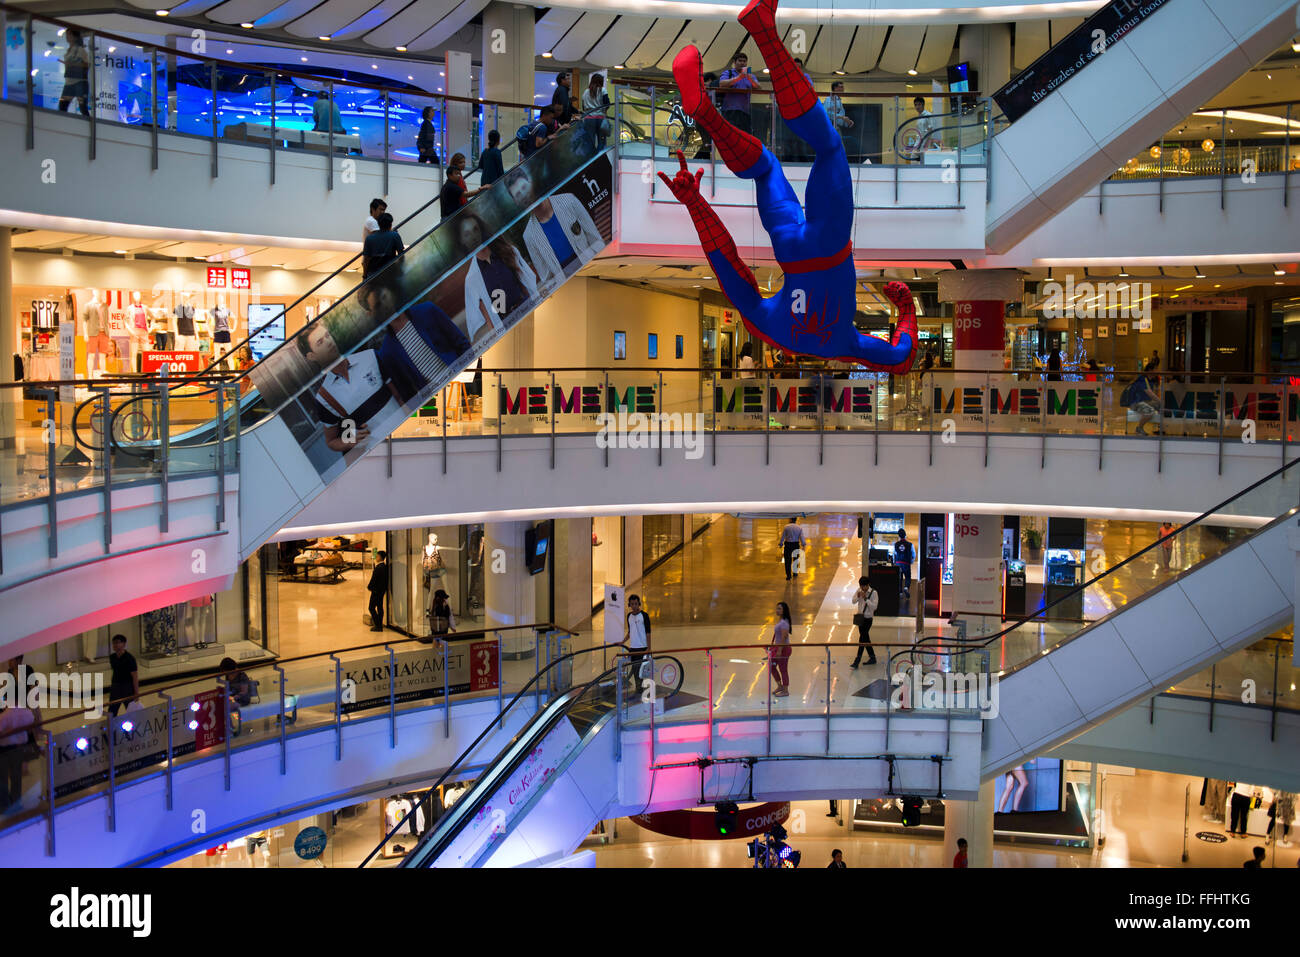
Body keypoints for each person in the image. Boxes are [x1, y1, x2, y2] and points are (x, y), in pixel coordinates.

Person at [659, 2, 917, 373]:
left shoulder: (845, 343)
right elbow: (728, 268)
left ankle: (765, 31)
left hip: (829, 245)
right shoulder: (774, 333)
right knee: (766, 169)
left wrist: (906, 306)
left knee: (829, 146)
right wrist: (694, 204)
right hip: (790, 251)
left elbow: (901, 360)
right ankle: (707, 115)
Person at [299, 324, 403, 457]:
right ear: (311, 356)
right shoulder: (324, 398)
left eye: (327, 335)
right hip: (380, 454)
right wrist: (350, 441)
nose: (328, 342)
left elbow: (400, 396)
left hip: (407, 432)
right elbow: (331, 441)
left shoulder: (369, 357)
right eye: (320, 342)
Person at [506, 166, 604, 293]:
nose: (524, 195)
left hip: (594, 276)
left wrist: (599, 272)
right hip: (568, 291)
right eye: (518, 194)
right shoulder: (529, 236)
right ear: (516, 202)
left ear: (531, 183)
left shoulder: (569, 200)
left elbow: (597, 241)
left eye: (524, 188)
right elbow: (547, 278)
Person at [455, 210, 539, 341]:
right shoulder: (472, 279)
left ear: (481, 230)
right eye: (467, 234)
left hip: (530, 311)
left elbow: (527, 285)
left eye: (475, 229)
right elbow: (489, 320)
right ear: (463, 242)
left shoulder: (507, 251)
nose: (473, 237)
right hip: (508, 329)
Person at [717, 52, 761, 135]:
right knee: (730, 135)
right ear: (734, 62)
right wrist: (738, 78)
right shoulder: (728, 73)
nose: (742, 63)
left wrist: (749, 78)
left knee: (745, 136)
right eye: (740, 61)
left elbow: (759, 87)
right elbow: (721, 84)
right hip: (730, 111)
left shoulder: (750, 75)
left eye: (744, 61)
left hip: (745, 112)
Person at [362, 211, 404, 279]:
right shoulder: (394, 235)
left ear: (378, 224)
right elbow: (401, 254)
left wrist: (364, 275)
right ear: (390, 224)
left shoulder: (369, 238)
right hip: (389, 271)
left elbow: (366, 259)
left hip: (373, 273)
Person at [58, 29, 90, 115]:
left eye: (69, 35)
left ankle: (87, 125)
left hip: (79, 81)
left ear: (74, 37)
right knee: (62, 106)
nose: (67, 37)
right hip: (69, 82)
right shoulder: (69, 50)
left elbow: (87, 65)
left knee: (82, 107)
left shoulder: (80, 50)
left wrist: (73, 64)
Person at [849, 575, 878, 668]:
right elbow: (853, 601)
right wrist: (858, 597)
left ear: (867, 585)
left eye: (863, 586)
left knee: (862, 639)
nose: (862, 588)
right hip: (860, 618)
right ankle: (872, 657)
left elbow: (874, 607)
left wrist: (866, 599)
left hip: (868, 619)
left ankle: (857, 660)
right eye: (861, 586)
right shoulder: (859, 590)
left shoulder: (874, 593)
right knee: (865, 639)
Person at [1127, 359, 1161, 436]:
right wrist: (1160, 401)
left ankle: (1159, 428)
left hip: (1145, 401)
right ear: (1150, 370)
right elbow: (1150, 393)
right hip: (1135, 403)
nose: (1158, 371)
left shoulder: (1151, 380)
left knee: (1160, 406)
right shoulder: (1143, 379)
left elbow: (1154, 393)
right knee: (1150, 411)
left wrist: (1160, 402)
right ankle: (1139, 428)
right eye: (1156, 369)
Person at [107, 633, 138, 716]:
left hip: (127, 687)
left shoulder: (129, 658)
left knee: (130, 710)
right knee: (112, 710)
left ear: (124, 644)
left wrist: (136, 693)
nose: (115, 645)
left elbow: (134, 676)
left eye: (118, 642)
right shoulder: (112, 657)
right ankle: (111, 726)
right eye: (114, 643)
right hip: (116, 686)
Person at [624, 593, 651, 689]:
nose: (634, 606)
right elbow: (630, 632)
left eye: (636, 603)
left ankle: (646, 689)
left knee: (643, 670)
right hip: (633, 648)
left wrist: (649, 648)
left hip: (643, 647)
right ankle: (638, 688)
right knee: (635, 670)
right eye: (632, 604)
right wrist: (622, 641)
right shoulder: (629, 616)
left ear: (639, 603)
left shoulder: (644, 615)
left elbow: (648, 632)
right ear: (629, 605)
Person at [581, 73, 612, 148]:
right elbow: (607, 104)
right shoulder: (603, 90)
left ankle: (591, 158)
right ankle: (600, 158)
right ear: (600, 81)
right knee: (602, 142)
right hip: (600, 118)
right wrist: (604, 111)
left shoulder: (585, 92)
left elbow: (583, 107)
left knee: (589, 142)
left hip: (588, 119)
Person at [769, 600, 793, 697]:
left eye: (779, 608)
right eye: (777, 608)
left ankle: (785, 690)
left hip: (783, 649)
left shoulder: (784, 623)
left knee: (783, 669)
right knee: (772, 666)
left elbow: (784, 637)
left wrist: (779, 650)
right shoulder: (782, 621)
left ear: (784, 610)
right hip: (778, 648)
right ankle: (780, 686)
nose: (777, 610)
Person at [778, 516, 806, 581]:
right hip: (796, 545)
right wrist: (803, 545)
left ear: (790, 519)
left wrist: (781, 544)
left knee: (788, 561)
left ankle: (788, 576)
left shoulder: (786, 527)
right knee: (795, 560)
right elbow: (802, 537)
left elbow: (783, 537)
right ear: (795, 520)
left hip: (788, 545)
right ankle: (795, 573)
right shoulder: (799, 528)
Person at [368, 549, 389, 631]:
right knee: (379, 607)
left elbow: (374, 579)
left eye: (377, 556)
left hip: (376, 591)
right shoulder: (384, 567)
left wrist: (370, 587)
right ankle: (379, 624)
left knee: (371, 608)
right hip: (381, 590)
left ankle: (378, 625)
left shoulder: (378, 568)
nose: (376, 557)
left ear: (380, 557)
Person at [910, 95, 935, 161]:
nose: (917, 107)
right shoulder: (919, 116)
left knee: (923, 162)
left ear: (923, 105)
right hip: (919, 143)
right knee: (913, 159)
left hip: (925, 144)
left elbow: (931, 130)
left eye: (919, 104)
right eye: (915, 105)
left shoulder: (928, 115)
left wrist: (925, 145)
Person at [893, 528, 915, 600]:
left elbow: (895, 554)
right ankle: (906, 587)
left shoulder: (896, 544)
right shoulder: (910, 544)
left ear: (899, 536)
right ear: (905, 535)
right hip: (906, 563)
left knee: (899, 578)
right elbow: (913, 554)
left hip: (898, 563)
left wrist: (895, 562)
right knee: (908, 577)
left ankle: (900, 593)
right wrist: (911, 561)